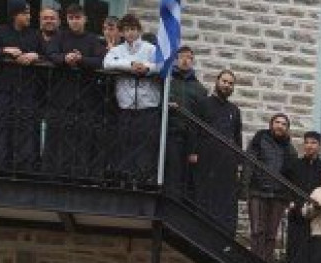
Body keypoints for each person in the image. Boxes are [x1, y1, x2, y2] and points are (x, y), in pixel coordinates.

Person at [43, 4, 108, 179]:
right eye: (71, 18)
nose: (74, 21)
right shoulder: (59, 36)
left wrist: (81, 59)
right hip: (61, 95)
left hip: (86, 97)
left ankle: (80, 174)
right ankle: (53, 174)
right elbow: (50, 54)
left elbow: (100, 61)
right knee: (58, 136)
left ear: (85, 19)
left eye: (77, 18)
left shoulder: (93, 39)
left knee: (82, 137)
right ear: (67, 20)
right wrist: (65, 58)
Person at [0, 1, 43, 173]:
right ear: (16, 15)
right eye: (26, 13)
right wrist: (5, 51)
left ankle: (23, 170)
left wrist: (35, 55)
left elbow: (48, 53)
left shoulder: (35, 35)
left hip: (27, 91)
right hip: (2, 90)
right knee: (0, 128)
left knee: (25, 129)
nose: (29, 16)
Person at [102, 14, 161, 183]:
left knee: (145, 144)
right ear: (122, 32)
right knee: (125, 142)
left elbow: (162, 65)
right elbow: (107, 63)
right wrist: (130, 66)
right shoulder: (117, 50)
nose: (130, 33)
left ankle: (142, 179)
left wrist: (147, 67)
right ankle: (125, 179)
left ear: (139, 31)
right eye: (126, 30)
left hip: (147, 104)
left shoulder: (150, 49)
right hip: (126, 104)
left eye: (133, 29)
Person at [195, 69, 243, 232]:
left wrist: (238, 162)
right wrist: (193, 152)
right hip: (206, 158)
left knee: (224, 199)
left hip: (227, 162)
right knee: (206, 196)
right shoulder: (203, 104)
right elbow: (194, 130)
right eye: (224, 81)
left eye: (231, 83)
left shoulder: (234, 110)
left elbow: (237, 138)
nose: (227, 85)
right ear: (217, 82)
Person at [246, 113, 298, 263]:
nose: (280, 126)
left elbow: (292, 175)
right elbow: (249, 162)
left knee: (271, 234)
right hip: (258, 191)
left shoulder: (290, 149)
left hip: (279, 196)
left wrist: (290, 198)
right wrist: (245, 187)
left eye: (284, 124)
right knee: (257, 230)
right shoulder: (260, 138)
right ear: (271, 124)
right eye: (277, 122)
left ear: (287, 128)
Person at [283, 131, 321, 263]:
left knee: (313, 250)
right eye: (307, 142)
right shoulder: (294, 165)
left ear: (319, 146)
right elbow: (285, 185)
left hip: (316, 216)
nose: (309, 146)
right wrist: (289, 203)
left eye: (313, 143)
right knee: (294, 248)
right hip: (296, 213)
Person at [164, 45, 207, 198]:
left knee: (188, 175)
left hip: (191, 137)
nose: (185, 60)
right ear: (176, 60)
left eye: (189, 57)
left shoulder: (200, 89)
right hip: (170, 133)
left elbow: (202, 118)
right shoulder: (166, 81)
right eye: (182, 56)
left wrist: (195, 148)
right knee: (172, 172)